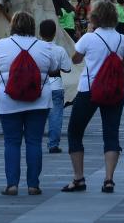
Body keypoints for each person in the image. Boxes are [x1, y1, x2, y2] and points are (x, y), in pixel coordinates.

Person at [63, 0, 124, 194]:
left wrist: (88, 33)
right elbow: (122, 57)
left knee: (75, 131)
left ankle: (79, 178)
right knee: (111, 133)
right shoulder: (121, 38)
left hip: (89, 89)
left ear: (94, 17)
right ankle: (109, 179)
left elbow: (75, 59)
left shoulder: (89, 38)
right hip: (115, 90)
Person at [0, 11, 58, 196]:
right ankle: (33, 185)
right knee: (34, 142)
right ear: (32, 26)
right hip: (39, 101)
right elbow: (53, 68)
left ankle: (12, 184)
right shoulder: (44, 46)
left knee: (11, 142)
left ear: (12, 26)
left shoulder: (2, 44)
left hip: (8, 101)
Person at [41, 19, 72, 154]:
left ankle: (35, 141)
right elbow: (67, 68)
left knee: (38, 116)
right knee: (56, 117)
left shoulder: (36, 48)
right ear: (54, 33)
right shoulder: (60, 50)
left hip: (39, 86)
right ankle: (53, 144)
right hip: (56, 85)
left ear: (40, 33)